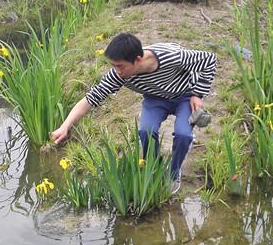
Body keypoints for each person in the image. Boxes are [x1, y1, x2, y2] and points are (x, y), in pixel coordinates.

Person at [50, 33, 217, 194]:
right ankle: (154, 167)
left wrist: (197, 94)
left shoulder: (172, 56)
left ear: (138, 60)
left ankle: (174, 172)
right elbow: (91, 98)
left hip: (184, 96)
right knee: (146, 131)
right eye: (113, 66)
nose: (117, 71)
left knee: (183, 135)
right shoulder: (119, 75)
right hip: (155, 98)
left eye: (120, 66)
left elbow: (209, 59)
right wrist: (65, 126)